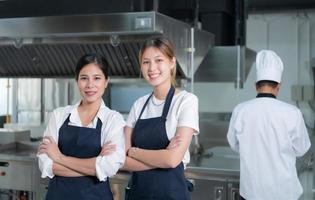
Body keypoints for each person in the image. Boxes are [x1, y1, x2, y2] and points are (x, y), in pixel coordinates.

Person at [37, 53, 126, 200]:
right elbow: (45, 164)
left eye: (97, 78)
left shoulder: (113, 119)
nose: (90, 85)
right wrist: (94, 165)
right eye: (84, 78)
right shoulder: (59, 115)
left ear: (106, 81)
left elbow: (108, 167)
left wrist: (59, 157)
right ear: (77, 81)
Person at [122, 35, 199, 200]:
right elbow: (123, 160)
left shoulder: (186, 101)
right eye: (146, 62)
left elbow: (172, 160)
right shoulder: (138, 105)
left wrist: (133, 151)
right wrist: (162, 156)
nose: (152, 68)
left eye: (158, 60)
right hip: (138, 194)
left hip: (171, 194)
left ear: (172, 63)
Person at [227, 50, 311, 200]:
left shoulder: (240, 110)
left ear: (255, 86)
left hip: (251, 193)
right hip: (285, 193)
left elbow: (234, 144)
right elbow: (302, 148)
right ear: (278, 86)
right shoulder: (292, 113)